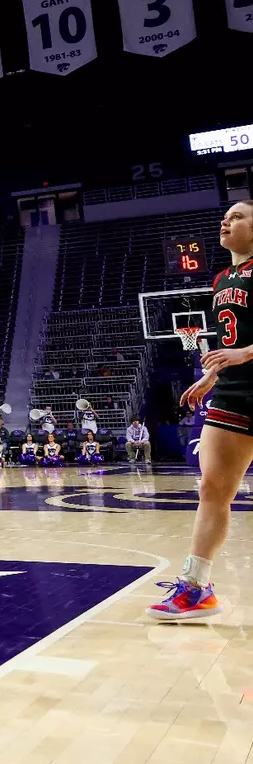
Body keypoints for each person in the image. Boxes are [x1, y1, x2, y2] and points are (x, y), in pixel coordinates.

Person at [151, 202, 253, 619]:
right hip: (233, 393)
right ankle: (196, 587)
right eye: (225, 217)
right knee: (212, 489)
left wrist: (245, 352)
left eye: (239, 216)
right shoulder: (221, 278)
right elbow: (230, 341)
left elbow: (242, 346)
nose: (227, 221)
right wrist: (211, 375)